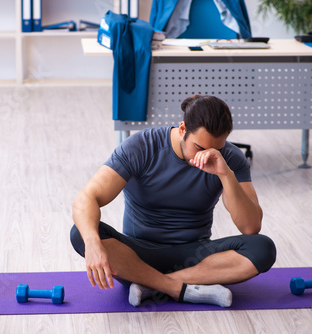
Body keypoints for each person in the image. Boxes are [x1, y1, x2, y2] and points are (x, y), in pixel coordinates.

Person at [70, 95, 276, 308]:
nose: (206, 156)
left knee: (263, 248)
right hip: (138, 256)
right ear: (182, 128)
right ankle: (177, 287)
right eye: (199, 147)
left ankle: (152, 285)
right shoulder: (142, 146)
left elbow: (251, 227)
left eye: (216, 149)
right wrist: (93, 244)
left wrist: (226, 175)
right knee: (81, 233)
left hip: (195, 256)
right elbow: (86, 198)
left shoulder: (230, 159)